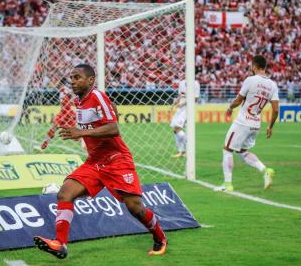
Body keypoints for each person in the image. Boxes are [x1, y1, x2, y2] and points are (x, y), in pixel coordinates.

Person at [34, 64, 167, 259]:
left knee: (134, 207)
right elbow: (110, 111)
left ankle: (160, 237)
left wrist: (81, 132)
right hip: (95, 162)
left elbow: (113, 128)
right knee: (65, 193)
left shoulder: (96, 96)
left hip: (116, 160)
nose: (72, 81)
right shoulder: (80, 101)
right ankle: (60, 244)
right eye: (71, 77)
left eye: (77, 77)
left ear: (90, 80)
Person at [215, 55, 279, 192]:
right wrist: (270, 127)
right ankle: (265, 170)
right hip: (256, 124)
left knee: (227, 150)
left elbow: (238, 100)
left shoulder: (250, 80)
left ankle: (227, 185)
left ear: (254, 66)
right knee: (242, 151)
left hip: (243, 122)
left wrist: (230, 108)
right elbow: (276, 110)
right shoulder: (273, 85)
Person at [41, 79, 76, 149]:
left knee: (53, 128)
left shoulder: (63, 91)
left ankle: (46, 141)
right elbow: (72, 101)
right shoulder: (69, 91)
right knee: (76, 134)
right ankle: (84, 141)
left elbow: (68, 101)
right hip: (68, 113)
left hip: (64, 113)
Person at [169, 77, 200, 157]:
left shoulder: (195, 83)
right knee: (175, 130)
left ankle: (190, 148)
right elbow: (180, 96)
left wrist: (183, 104)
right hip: (180, 109)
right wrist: (172, 105)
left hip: (188, 109)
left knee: (177, 128)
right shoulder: (182, 82)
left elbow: (196, 98)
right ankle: (181, 151)